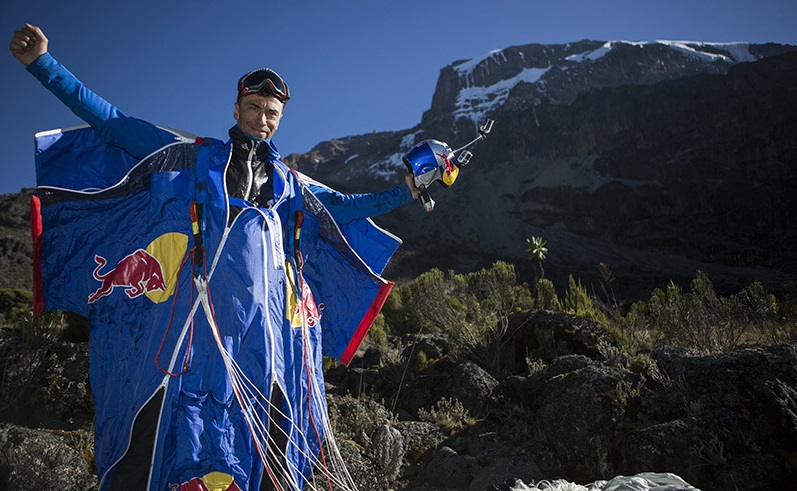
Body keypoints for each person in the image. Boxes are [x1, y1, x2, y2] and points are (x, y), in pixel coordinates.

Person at [11, 23, 420, 491]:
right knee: (174, 418)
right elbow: (112, 122)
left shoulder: (290, 185)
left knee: (267, 427)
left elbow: (347, 209)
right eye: (253, 108)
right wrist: (43, 65)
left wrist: (406, 189)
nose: (261, 119)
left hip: (262, 330)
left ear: (281, 117)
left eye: (271, 111)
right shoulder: (193, 157)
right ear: (236, 108)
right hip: (195, 322)